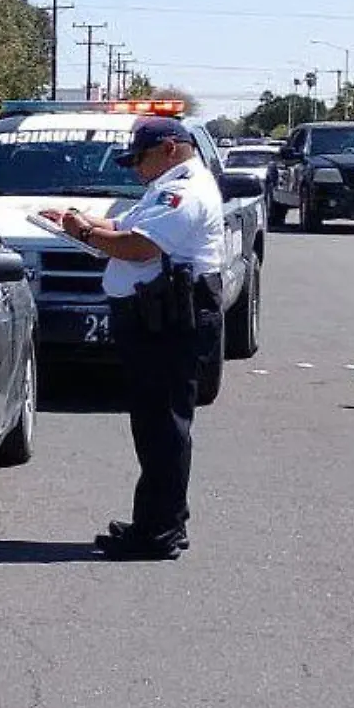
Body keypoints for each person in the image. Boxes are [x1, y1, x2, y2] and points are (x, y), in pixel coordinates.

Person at [42, 118, 224, 561]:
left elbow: (140, 247)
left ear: (169, 148)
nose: (136, 169)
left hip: (169, 319)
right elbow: (122, 227)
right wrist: (78, 221)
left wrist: (81, 232)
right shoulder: (165, 188)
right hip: (154, 318)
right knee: (154, 424)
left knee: (163, 426)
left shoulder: (185, 191)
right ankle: (160, 522)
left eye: (139, 159)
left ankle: (158, 532)